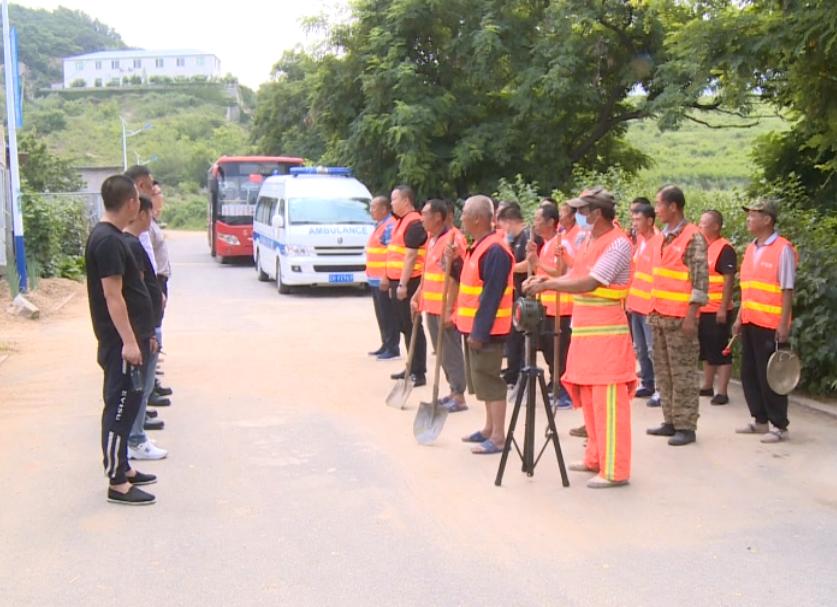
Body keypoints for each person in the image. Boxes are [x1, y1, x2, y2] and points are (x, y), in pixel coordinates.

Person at [524, 187, 636, 488]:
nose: (578, 217)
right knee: (589, 401)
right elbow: (576, 273)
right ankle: (595, 458)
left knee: (608, 404)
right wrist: (548, 278)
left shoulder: (618, 245)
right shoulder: (589, 240)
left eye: (583, 212)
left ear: (597, 213)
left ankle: (615, 470)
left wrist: (549, 285)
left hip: (607, 337)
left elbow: (591, 281)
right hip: (587, 334)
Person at [84, 175, 157, 505]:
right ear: (130, 203)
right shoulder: (109, 241)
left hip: (129, 339)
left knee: (127, 406)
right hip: (119, 343)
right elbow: (113, 296)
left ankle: (124, 467)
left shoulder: (109, 237)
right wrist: (129, 342)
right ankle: (116, 480)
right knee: (121, 406)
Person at [646, 185, 708, 447]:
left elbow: (700, 280)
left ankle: (686, 426)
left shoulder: (693, 237)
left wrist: (692, 316)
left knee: (683, 373)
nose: (657, 209)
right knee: (664, 372)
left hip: (681, 318)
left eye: (660, 204)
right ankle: (670, 420)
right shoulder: (663, 236)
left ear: (673, 207)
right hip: (660, 315)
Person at [453, 195, 514, 454]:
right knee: (479, 379)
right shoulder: (478, 246)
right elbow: (471, 283)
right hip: (474, 328)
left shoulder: (496, 250)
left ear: (477, 218)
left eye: (465, 214)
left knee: (489, 380)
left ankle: (499, 437)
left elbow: (491, 295)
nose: (461, 218)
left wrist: (480, 331)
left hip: (488, 331)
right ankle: (489, 428)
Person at [733, 199, 797, 443]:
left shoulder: (783, 249)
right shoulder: (751, 248)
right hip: (750, 320)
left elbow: (787, 289)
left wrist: (783, 324)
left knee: (771, 375)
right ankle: (759, 420)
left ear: (767, 220)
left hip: (770, 324)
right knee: (749, 372)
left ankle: (779, 425)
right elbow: (747, 288)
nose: (748, 219)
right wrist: (739, 317)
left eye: (753, 215)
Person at [123, 196, 169, 460]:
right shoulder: (129, 245)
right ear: (139, 213)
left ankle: (136, 434)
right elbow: (135, 294)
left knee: (144, 385)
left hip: (148, 326)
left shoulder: (134, 242)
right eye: (150, 213)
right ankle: (135, 439)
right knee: (139, 387)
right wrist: (148, 331)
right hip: (143, 329)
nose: (152, 219)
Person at [412, 199, 468, 412]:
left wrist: (448, 309)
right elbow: (429, 272)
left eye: (425, 213)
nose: (421, 218)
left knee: (451, 350)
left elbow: (454, 277)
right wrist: (417, 295)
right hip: (431, 305)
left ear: (437, 217)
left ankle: (459, 394)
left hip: (446, 307)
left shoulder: (453, 240)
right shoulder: (432, 239)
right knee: (441, 351)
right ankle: (453, 390)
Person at [125, 167, 171, 409]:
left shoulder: (147, 223)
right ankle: (137, 423)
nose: (157, 192)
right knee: (148, 342)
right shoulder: (133, 234)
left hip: (154, 288)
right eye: (153, 186)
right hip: (148, 291)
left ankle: (147, 394)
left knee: (152, 342)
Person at [385, 185, 428, 386]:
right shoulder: (400, 222)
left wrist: (402, 285)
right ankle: (411, 365)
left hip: (410, 281)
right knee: (404, 325)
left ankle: (419, 372)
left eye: (394, 199)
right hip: (397, 280)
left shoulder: (414, 223)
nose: (391, 203)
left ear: (405, 201)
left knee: (413, 325)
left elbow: (410, 257)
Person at [698, 210, 737, 405]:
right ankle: (707, 385)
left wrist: (723, 307)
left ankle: (722, 391)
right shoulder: (703, 247)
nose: (700, 227)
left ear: (715, 226)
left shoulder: (725, 249)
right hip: (702, 308)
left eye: (703, 224)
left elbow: (729, 280)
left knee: (721, 350)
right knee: (706, 349)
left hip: (717, 310)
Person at [626, 200, 661, 406]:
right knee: (640, 348)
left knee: (652, 349)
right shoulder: (640, 240)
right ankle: (647, 383)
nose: (635, 223)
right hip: (636, 304)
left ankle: (659, 388)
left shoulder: (658, 241)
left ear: (650, 220)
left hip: (650, 305)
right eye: (633, 219)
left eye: (638, 219)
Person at [525, 202, 562, 390]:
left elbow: (558, 272)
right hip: (546, 305)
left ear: (551, 222)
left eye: (538, 220)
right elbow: (542, 271)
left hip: (560, 307)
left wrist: (537, 261)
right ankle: (553, 379)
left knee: (558, 349)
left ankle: (561, 385)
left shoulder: (559, 243)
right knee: (547, 346)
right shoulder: (546, 244)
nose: (535, 223)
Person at [496, 203, 529, 388]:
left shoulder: (527, 237)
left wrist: (509, 268)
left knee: (521, 337)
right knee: (512, 337)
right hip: (513, 294)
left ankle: (521, 373)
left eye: (503, 225)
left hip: (524, 296)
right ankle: (512, 372)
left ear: (510, 222)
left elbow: (529, 263)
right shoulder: (513, 239)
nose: (503, 230)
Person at [365, 195, 399, 360]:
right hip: (374, 279)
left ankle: (393, 347)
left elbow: (391, 254)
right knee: (381, 315)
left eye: (374, 207)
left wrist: (386, 276)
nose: (371, 211)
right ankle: (385, 344)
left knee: (388, 315)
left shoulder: (389, 226)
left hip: (383, 279)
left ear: (384, 209)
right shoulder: (379, 225)